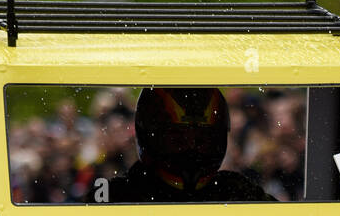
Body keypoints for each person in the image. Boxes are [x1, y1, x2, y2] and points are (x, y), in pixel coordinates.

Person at [106, 87, 273, 203]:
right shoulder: (122, 193)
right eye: (178, 139)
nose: (192, 147)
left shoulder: (236, 190)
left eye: (202, 139)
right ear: (149, 136)